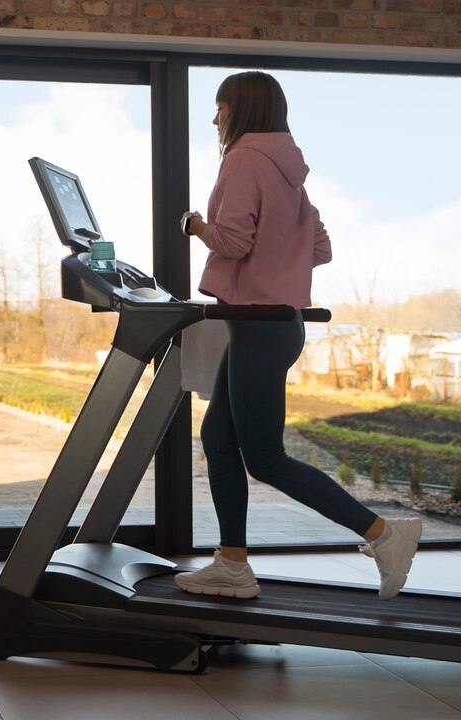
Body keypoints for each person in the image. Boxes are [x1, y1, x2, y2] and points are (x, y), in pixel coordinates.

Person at [175, 71, 421, 601]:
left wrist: (196, 225)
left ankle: (385, 534)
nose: (215, 117)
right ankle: (232, 564)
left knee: (264, 457)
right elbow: (320, 247)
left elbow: (235, 241)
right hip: (271, 325)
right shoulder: (290, 170)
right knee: (217, 439)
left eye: (220, 107)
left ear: (241, 108)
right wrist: (280, 251)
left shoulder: (242, 158)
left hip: (260, 327)